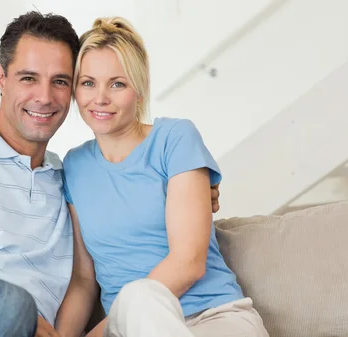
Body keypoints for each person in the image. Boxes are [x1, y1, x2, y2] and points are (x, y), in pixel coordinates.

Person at [0, 11, 220, 337]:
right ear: (1, 77)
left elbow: (88, 273)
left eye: (60, 81)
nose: (44, 97)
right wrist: (16, 311)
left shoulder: (68, 178)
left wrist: (193, 186)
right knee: (7, 301)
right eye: (29, 78)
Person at [56, 17, 268, 337]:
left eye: (118, 83)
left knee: (139, 295)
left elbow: (188, 263)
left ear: (139, 91)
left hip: (212, 318)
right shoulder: (74, 165)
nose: (100, 98)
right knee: (136, 300)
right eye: (88, 83)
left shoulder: (175, 138)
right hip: (128, 329)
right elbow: (84, 280)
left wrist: (100, 332)